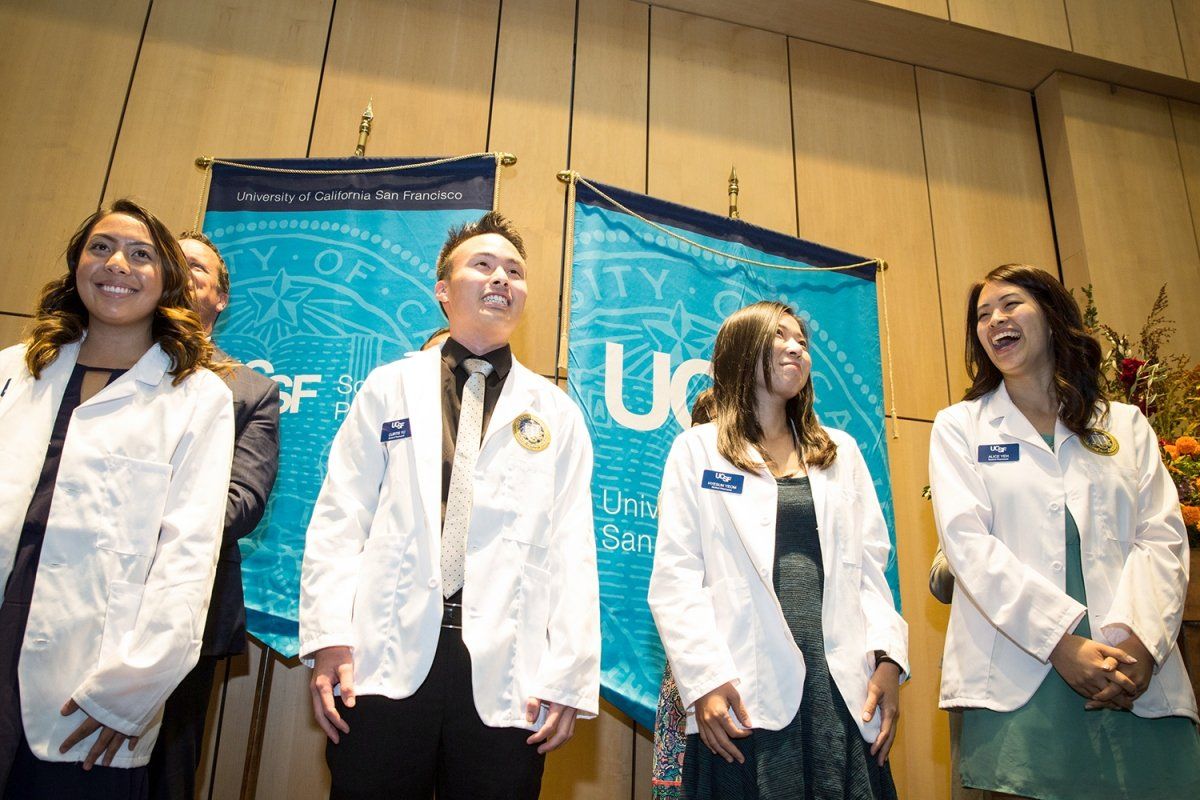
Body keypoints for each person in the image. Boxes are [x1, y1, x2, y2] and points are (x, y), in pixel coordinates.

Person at [299, 211, 600, 799]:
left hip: (508, 665)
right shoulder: (389, 387)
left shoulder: (556, 413)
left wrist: (569, 672)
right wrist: (331, 636)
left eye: (514, 271)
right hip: (385, 653)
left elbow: (572, 548)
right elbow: (342, 515)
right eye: (482, 265)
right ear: (443, 290)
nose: (501, 279)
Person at [928, 263, 1200, 799]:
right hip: (1024, 675)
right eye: (982, 315)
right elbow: (969, 547)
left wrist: (1142, 645)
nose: (994, 320)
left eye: (1010, 305)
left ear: (1052, 319)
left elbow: (1162, 538)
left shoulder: (1123, 425)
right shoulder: (960, 427)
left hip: (1132, 672)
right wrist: (1059, 643)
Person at [0, 199, 234, 799]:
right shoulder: (13, 372)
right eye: (100, 248)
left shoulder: (196, 396)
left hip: (90, 683)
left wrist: (130, 693)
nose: (116, 264)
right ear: (77, 264)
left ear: (167, 283)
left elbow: (188, 556)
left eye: (140, 254)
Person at [649, 300, 908, 799]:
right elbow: (676, 576)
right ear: (742, 351)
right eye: (780, 337)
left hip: (838, 684)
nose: (797, 348)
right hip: (741, 686)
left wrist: (890, 661)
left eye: (803, 342)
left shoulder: (842, 451)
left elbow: (871, 570)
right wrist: (703, 680)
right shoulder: (697, 450)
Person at [147, 233, 280, 799]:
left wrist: (122, 519)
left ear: (219, 297)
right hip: (59, 597)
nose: (181, 273)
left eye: (195, 268)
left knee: (164, 775)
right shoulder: (88, 366)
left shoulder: (249, 391)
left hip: (184, 608)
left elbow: (239, 503)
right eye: (168, 261)